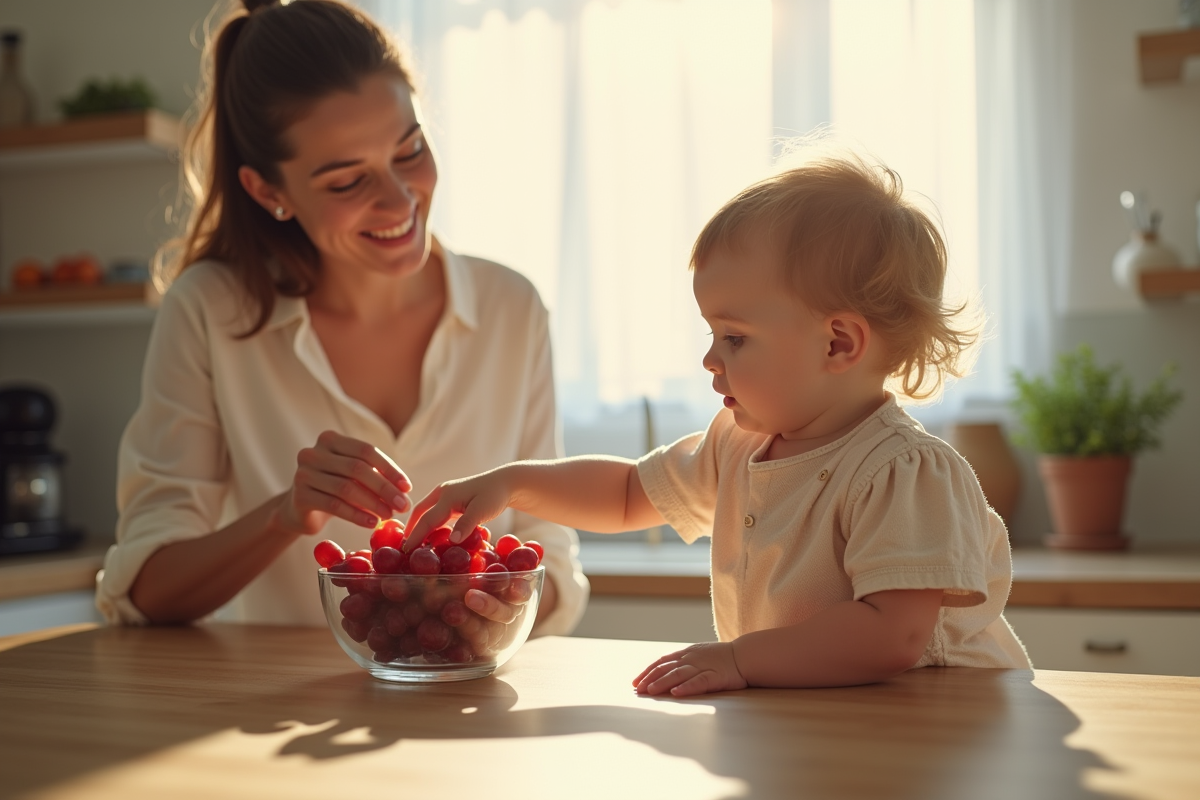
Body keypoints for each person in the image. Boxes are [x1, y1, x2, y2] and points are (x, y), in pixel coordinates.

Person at [403, 151, 1031, 696]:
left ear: (838, 343)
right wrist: (516, 484)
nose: (709, 359)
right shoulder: (740, 441)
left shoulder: (902, 470)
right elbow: (626, 495)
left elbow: (892, 634)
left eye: (734, 337)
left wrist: (738, 658)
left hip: (938, 727)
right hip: (829, 722)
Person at [95, 0, 588, 635]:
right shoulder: (210, 310)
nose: (399, 199)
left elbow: (553, 564)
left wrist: (494, 604)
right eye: (346, 182)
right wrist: (286, 515)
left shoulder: (511, 308)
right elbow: (144, 590)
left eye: (409, 150)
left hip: (468, 708)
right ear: (268, 192)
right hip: (271, 722)